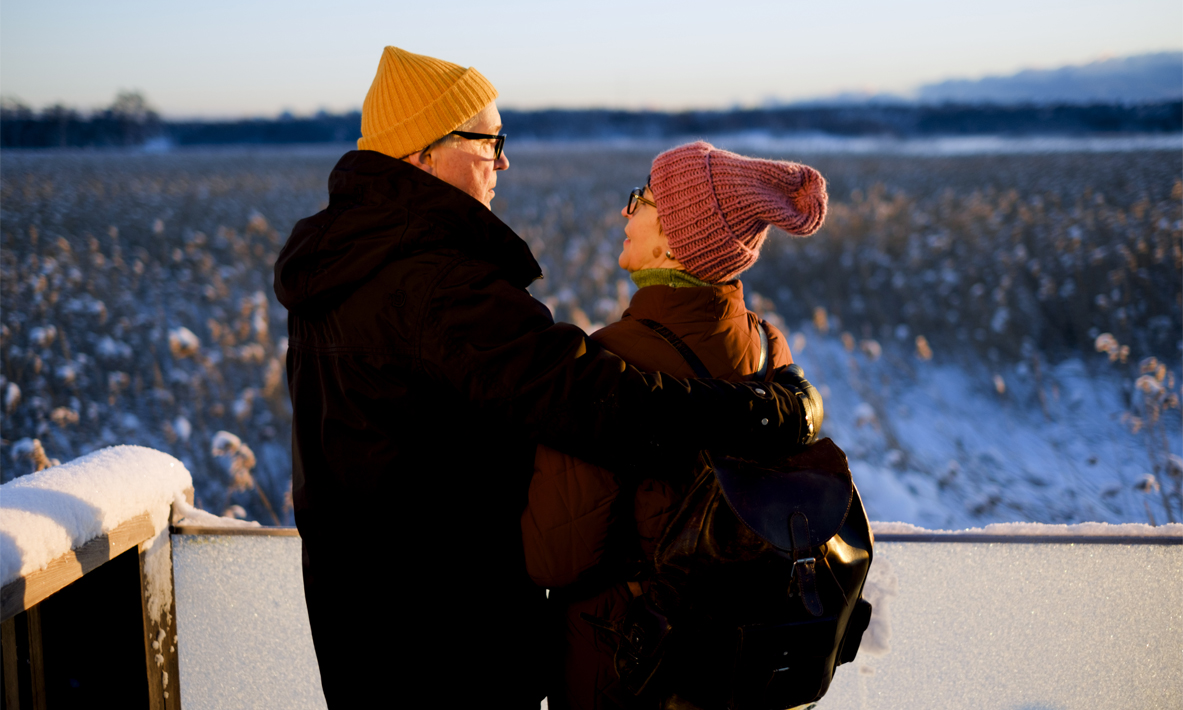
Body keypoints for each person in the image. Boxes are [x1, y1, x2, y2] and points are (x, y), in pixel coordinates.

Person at [273, 47, 823, 708]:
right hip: (445, 640)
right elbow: (595, 400)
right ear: (423, 152)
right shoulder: (434, 284)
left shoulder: (342, 263)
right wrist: (764, 413)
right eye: (488, 140)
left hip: (359, 620)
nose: (502, 160)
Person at [520, 141, 828, 709]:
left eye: (641, 200)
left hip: (627, 666)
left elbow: (556, 555)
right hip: (735, 667)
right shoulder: (768, 348)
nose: (624, 212)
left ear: (674, 241)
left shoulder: (610, 362)